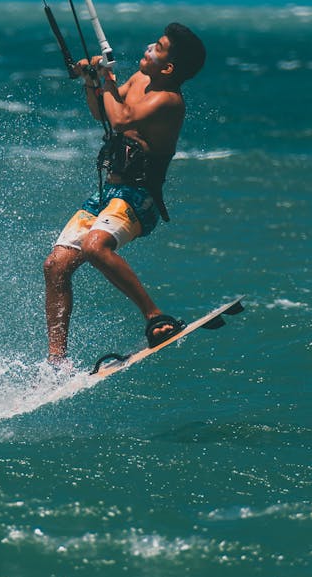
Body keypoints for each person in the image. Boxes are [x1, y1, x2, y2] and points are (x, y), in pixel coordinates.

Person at [44, 22, 206, 362]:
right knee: (56, 264)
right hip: (108, 194)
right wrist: (92, 82)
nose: (148, 47)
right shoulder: (139, 80)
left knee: (94, 246)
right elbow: (104, 113)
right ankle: (56, 361)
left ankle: (154, 316)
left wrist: (104, 80)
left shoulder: (169, 100)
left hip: (138, 198)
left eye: (157, 47)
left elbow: (121, 121)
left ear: (169, 67)